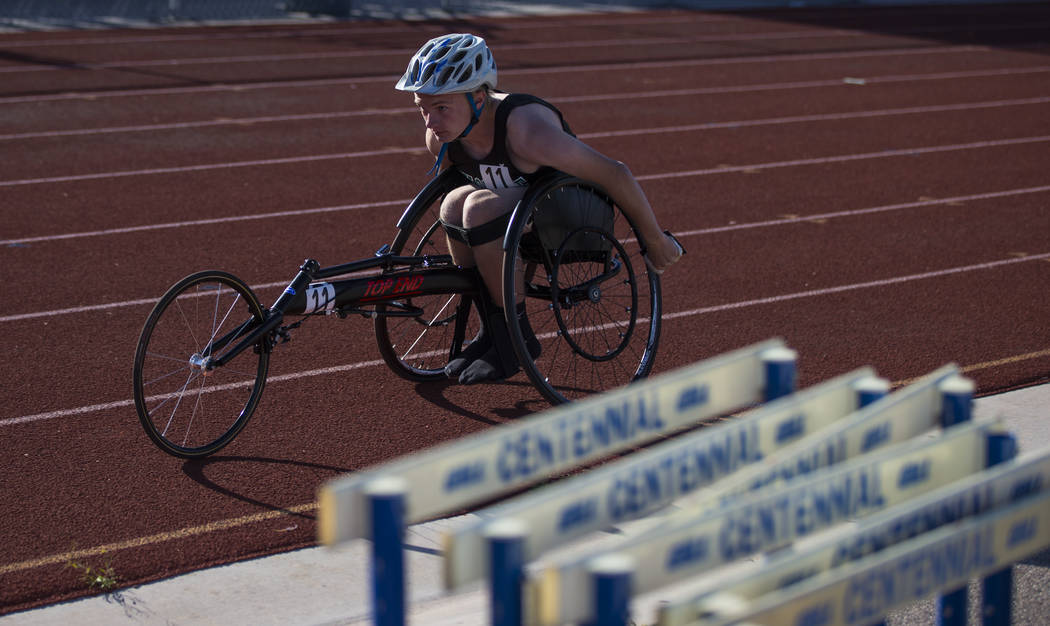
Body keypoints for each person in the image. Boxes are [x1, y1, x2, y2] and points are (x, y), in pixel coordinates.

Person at [395, 33, 683, 385]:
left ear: (479, 99)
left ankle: (517, 341)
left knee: (478, 208)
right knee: (453, 205)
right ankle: (494, 331)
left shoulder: (527, 131)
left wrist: (655, 241)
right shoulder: (442, 137)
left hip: (571, 212)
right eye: (422, 108)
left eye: (441, 108)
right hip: (518, 218)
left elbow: (615, 172)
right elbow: (447, 190)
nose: (430, 122)